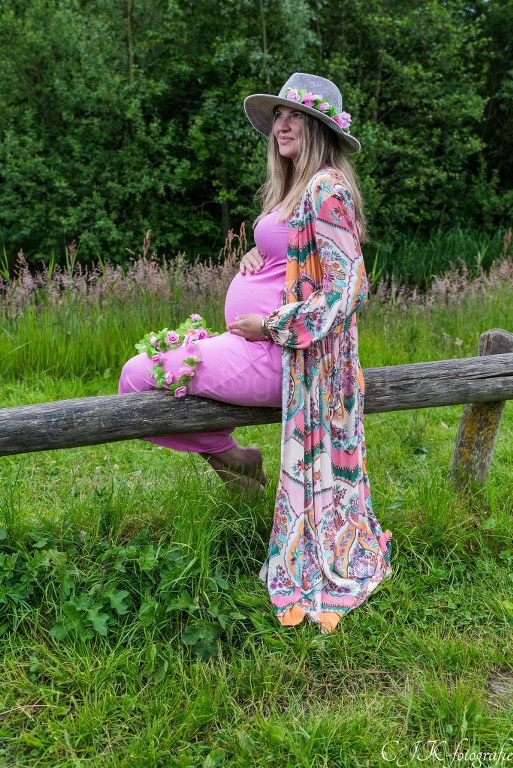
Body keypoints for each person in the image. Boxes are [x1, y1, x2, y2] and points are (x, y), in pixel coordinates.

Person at [119, 72, 392, 634]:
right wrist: (256, 257)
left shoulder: (328, 188)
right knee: (136, 377)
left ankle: (231, 458)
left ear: (320, 129)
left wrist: (269, 324)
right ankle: (233, 458)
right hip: (255, 346)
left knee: (141, 374)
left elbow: (347, 290)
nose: (281, 126)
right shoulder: (294, 189)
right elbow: (297, 257)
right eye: (278, 117)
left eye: (296, 117)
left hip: (284, 358)